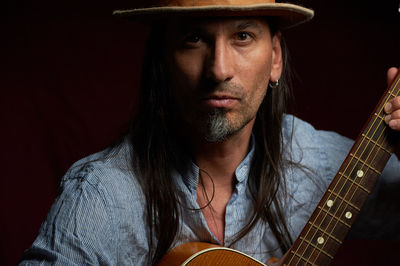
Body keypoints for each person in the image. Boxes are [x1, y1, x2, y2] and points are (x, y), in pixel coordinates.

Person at [20, 0, 400, 265]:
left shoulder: (313, 158)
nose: (218, 70)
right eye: (194, 38)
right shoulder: (101, 197)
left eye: (243, 36)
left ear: (276, 58)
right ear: (163, 61)